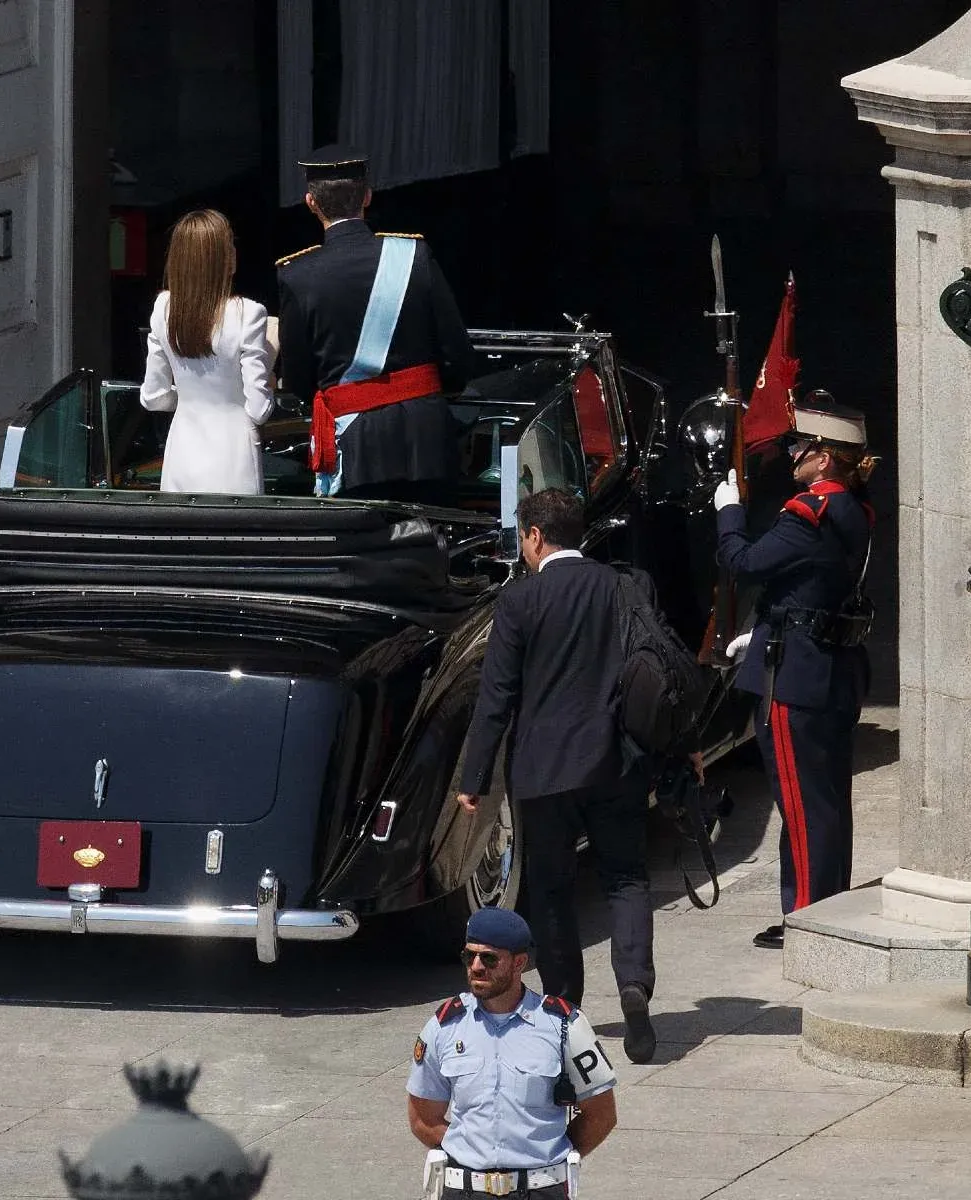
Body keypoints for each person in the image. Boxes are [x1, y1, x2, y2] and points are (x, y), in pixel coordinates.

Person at [454, 488, 658, 1063]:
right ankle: (635, 984)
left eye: (521, 538)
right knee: (626, 876)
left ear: (536, 537)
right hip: (615, 762)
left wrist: (474, 776)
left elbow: (497, 697)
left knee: (551, 886)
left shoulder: (518, 602)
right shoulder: (624, 587)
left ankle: (565, 1004)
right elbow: (654, 665)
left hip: (542, 772)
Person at [714, 391, 875, 949]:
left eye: (801, 446)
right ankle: (831, 906)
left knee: (802, 803)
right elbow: (808, 586)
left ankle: (807, 917)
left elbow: (743, 564)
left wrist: (728, 511)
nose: (792, 455)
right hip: (830, 667)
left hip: (796, 674)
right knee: (827, 798)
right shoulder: (853, 509)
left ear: (826, 456)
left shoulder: (810, 512)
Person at [276, 145, 478, 498]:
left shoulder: (297, 275)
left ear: (310, 202)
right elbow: (458, 353)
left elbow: (297, 378)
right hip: (425, 438)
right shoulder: (414, 256)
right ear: (367, 197)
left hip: (355, 442)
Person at [407, 907, 617, 1200]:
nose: (477, 966)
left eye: (489, 958)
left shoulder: (563, 1026)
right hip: (464, 1191)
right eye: (470, 956)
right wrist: (468, 1151)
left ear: (519, 963)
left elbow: (601, 1114)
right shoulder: (444, 1026)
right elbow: (423, 1119)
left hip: (540, 1190)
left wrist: (547, 1155)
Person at [139, 209, 273, 494]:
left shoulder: (164, 307)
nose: (235, 252)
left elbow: (152, 397)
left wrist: (188, 396)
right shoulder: (250, 313)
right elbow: (259, 409)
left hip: (182, 453)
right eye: (230, 246)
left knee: (180, 536)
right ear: (223, 260)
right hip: (234, 457)